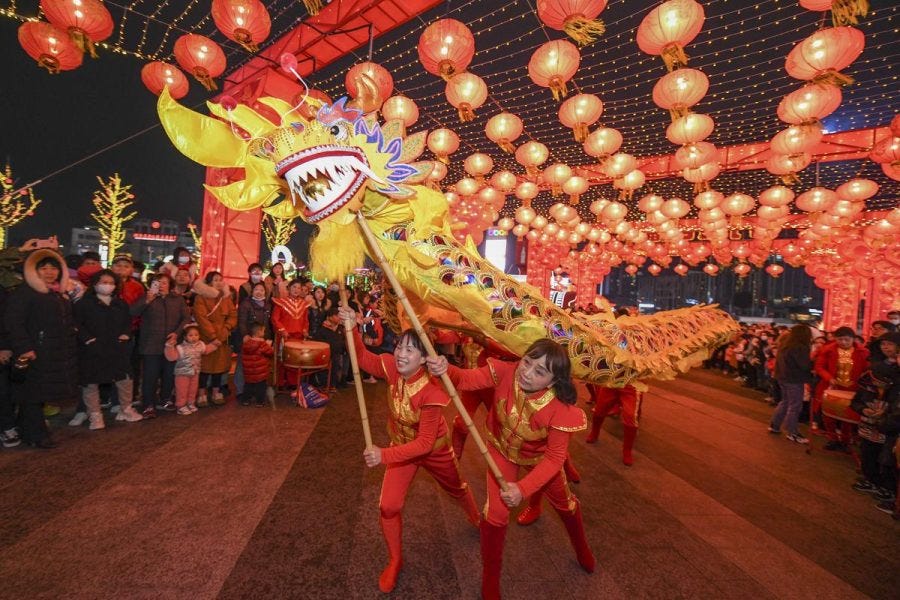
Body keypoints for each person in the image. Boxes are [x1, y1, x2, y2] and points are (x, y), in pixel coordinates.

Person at [427, 338, 594, 600]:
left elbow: (554, 459)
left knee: (565, 505)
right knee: (495, 516)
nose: (527, 373)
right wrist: (446, 368)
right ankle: (490, 579)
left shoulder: (561, 409)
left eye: (539, 371)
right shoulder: (506, 371)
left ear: (553, 381)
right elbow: (466, 379)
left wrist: (523, 489)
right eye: (527, 362)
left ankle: (582, 549)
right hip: (501, 451)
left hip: (540, 461)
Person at [338, 306, 480, 594]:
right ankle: (395, 559)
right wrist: (351, 327)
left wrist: (383, 455)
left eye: (410, 350)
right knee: (388, 506)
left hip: (434, 451)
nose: (401, 354)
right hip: (401, 447)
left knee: (456, 488)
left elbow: (425, 444)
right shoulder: (392, 366)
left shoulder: (432, 390)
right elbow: (362, 357)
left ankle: (476, 517)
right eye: (400, 347)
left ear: (424, 358)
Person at [4, 249, 79, 448]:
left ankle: (27, 429)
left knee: (37, 394)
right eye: (44, 268)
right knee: (33, 394)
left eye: (53, 268)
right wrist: (24, 347)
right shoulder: (26, 292)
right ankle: (37, 435)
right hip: (34, 352)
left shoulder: (57, 293)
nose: (49, 272)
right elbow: (13, 322)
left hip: (52, 352)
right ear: (34, 271)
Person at [73, 269, 143, 430]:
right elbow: (77, 324)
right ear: (95, 284)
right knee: (90, 382)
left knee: (125, 378)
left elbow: (127, 322)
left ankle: (126, 409)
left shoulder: (120, 304)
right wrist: (88, 339)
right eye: (104, 282)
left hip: (116, 347)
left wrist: (125, 335)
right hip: (92, 349)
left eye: (111, 283)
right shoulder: (84, 303)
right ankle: (95, 415)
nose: (108, 285)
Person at [131, 273, 192, 418]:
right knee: (150, 375)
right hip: (150, 343)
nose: (161, 285)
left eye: (164, 282)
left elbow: (186, 318)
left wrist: (177, 333)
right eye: (157, 282)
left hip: (171, 343)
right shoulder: (147, 297)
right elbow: (132, 312)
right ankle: (148, 404)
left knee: (169, 373)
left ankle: (165, 399)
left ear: (170, 285)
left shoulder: (177, 299)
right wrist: (147, 300)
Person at [814, 326, 869, 451]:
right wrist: (829, 378)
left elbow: (867, 369)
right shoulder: (828, 350)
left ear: (853, 339)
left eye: (847, 340)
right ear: (835, 339)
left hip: (852, 389)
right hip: (831, 387)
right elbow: (819, 367)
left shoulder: (863, 352)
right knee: (828, 415)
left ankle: (845, 441)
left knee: (847, 416)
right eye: (840, 339)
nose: (843, 342)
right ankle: (832, 438)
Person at [193, 272, 237, 407]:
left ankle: (216, 392)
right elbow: (201, 318)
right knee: (204, 368)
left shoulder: (226, 297)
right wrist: (213, 336)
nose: (219, 282)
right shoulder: (201, 297)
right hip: (206, 337)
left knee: (219, 366)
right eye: (215, 280)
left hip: (222, 337)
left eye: (220, 280)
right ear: (209, 282)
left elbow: (233, 315)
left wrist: (227, 328)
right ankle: (201, 394)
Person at [768, 324, 814, 444]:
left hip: (782, 377)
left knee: (785, 401)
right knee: (795, 406)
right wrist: (813, 362)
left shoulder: (785, 345)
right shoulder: (800, 347)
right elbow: (804, 365)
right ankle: (792, 432)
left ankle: (775, 425)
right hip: (794, 379)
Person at [164, 325, 220, 415]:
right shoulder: (181, 347)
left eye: (196, 335)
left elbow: (206, 350)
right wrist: (169, 346)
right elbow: (171, 357)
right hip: (182, 374)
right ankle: (181, 406)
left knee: (193, 390)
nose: (194, 337)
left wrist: (214, 345)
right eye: (190, 335)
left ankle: (190, 403)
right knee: (182, 391)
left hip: (195, 372)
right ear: (185, 337)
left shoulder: (200, 345)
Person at [236, 282, 273, 400]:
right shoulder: (245, 304)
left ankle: (258, 393)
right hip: (248, 339)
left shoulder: (268, 305)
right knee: (244, 365)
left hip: (262, 340)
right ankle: (241, 391)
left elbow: (269, 324)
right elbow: (241, 321)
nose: (259, 292)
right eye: (256, 289)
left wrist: (269, 338)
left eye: (262, 290)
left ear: (265, 292)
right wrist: (245, 335)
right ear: (252, 291)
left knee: (259, 367)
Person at [272, 279, 312, 387]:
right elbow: (275, 319)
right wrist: (282, 330)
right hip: (284, 336)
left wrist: (305, 330)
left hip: (298, 337)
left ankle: (293, 383)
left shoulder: (304, 304)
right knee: (282, 359)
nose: (296, 290)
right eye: (294, 287)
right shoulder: (281, 302)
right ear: (289, 288)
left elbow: (305, 320)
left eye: (299, 288)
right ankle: (280, 383)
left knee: (295, 360)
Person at [241, 323, 274, 407]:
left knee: (248, 385)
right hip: (260, 371)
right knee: (261, 386)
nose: (264, 333)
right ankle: (259, 402)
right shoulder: (262, 344)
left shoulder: (246, 343)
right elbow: (270, 352)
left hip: (248, 371)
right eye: (263, 331)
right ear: (259, 332)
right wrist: (269, 345)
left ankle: (245, 400)